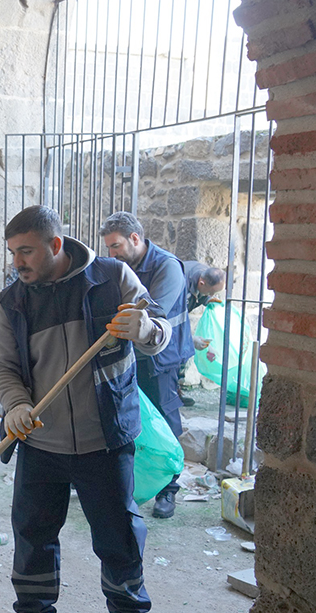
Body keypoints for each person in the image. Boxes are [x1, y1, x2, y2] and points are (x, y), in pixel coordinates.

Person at [0, 205, 170, 613]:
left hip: (104, 439)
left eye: (25, 252)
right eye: (12, 253)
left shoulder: (112, 278)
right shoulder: (12, 302)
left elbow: (161, 330)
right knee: (32, 534)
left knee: (117, 535)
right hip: (40, 441)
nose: (17, 263)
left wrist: (145, 328)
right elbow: (3, 367)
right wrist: (16, 405)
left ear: (54, 245)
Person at [100, 212, 194, 519]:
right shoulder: (124, 267)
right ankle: (136, 482)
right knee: (134, 419)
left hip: (161, 360)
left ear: (135, 239)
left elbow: (154, 313)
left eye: (115, 246)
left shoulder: (167, 267)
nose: (111, 254)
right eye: (108, 248)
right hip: (132, 356)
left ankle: (169, 490)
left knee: (165, 420)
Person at [181, 261, 227, 403]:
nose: (213, 294)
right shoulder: (181, 283)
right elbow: (174, 316)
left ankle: (176, 391)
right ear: (201, 283)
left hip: (182, 312)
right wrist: (190, 338)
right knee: (174, 355)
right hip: (169, 316)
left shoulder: (205, 275)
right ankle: (169, 395)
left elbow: (203, 293)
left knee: (184, 353)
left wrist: (208, 299)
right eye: (211, 292)